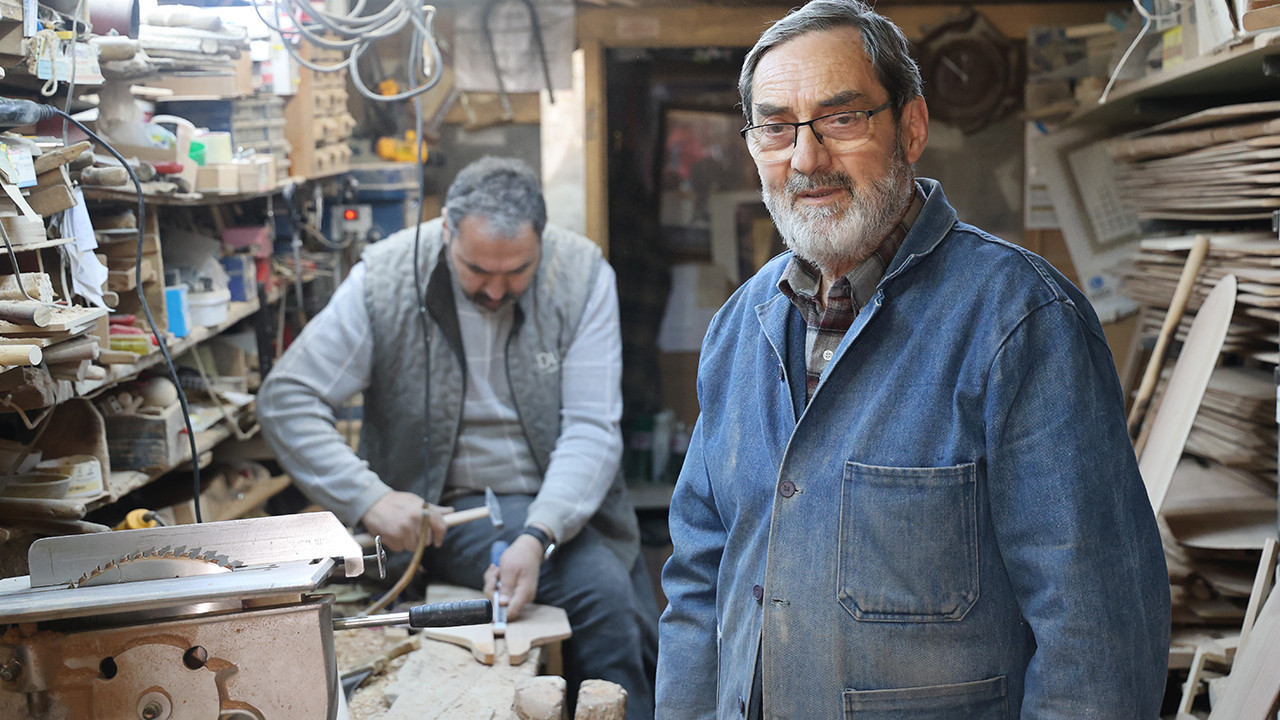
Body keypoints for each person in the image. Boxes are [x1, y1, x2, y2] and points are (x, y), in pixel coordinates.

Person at [655, 2, 1170, 718]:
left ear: (912, 127)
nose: (806, 159)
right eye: (775, 127)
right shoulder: (739, 330)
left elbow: (1095, 637)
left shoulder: (1022, 323)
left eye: (841, 118)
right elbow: (695, 586)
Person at [259, 157, 658, 719]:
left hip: (560, 508)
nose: (496, 290)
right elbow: (287, 399)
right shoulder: (388, 277)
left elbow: (591, 428)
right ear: (446, 231)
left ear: (541, 242)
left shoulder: (582, 274)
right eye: (476, 270)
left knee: (615, 607)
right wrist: (367, 497)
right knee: (601, 593)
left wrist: (539, 534)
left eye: (516, 272)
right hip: (447, 514)